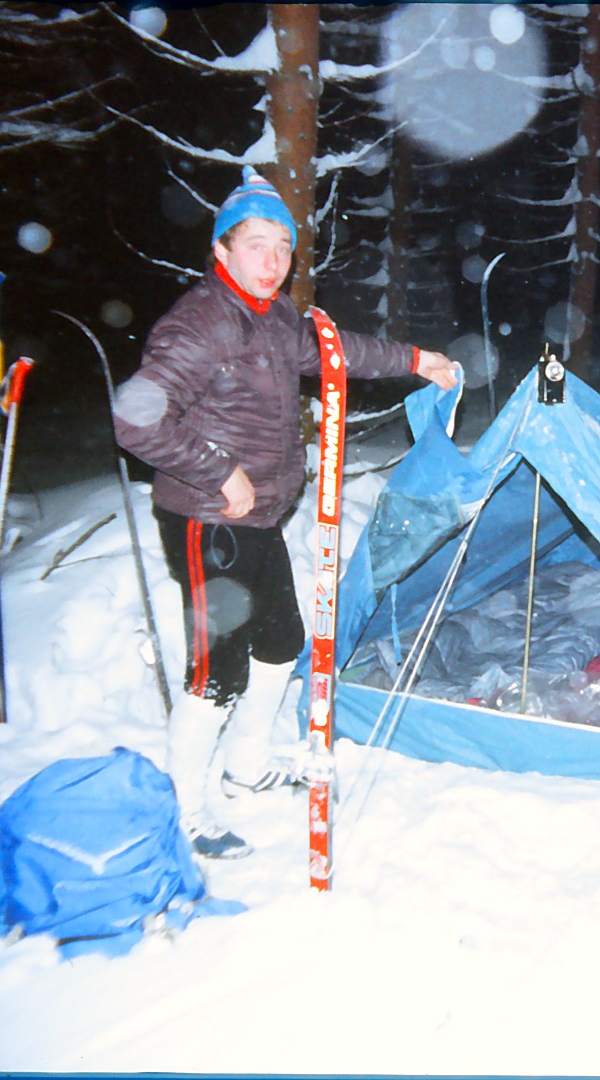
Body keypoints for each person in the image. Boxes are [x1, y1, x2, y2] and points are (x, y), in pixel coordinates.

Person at [114, 167, 459, 859]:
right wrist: (221, 470)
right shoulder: (202, 322)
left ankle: (246, 768)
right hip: (207, 520)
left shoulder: (272, 319)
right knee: (218, 672)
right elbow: (135, 417)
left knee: (279, 644)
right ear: (223, 252)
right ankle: (187, 813)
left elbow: (341, 353)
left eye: (283, 247)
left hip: (256, 519)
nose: (272, 261)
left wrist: (417, 359)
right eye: (256, 245)